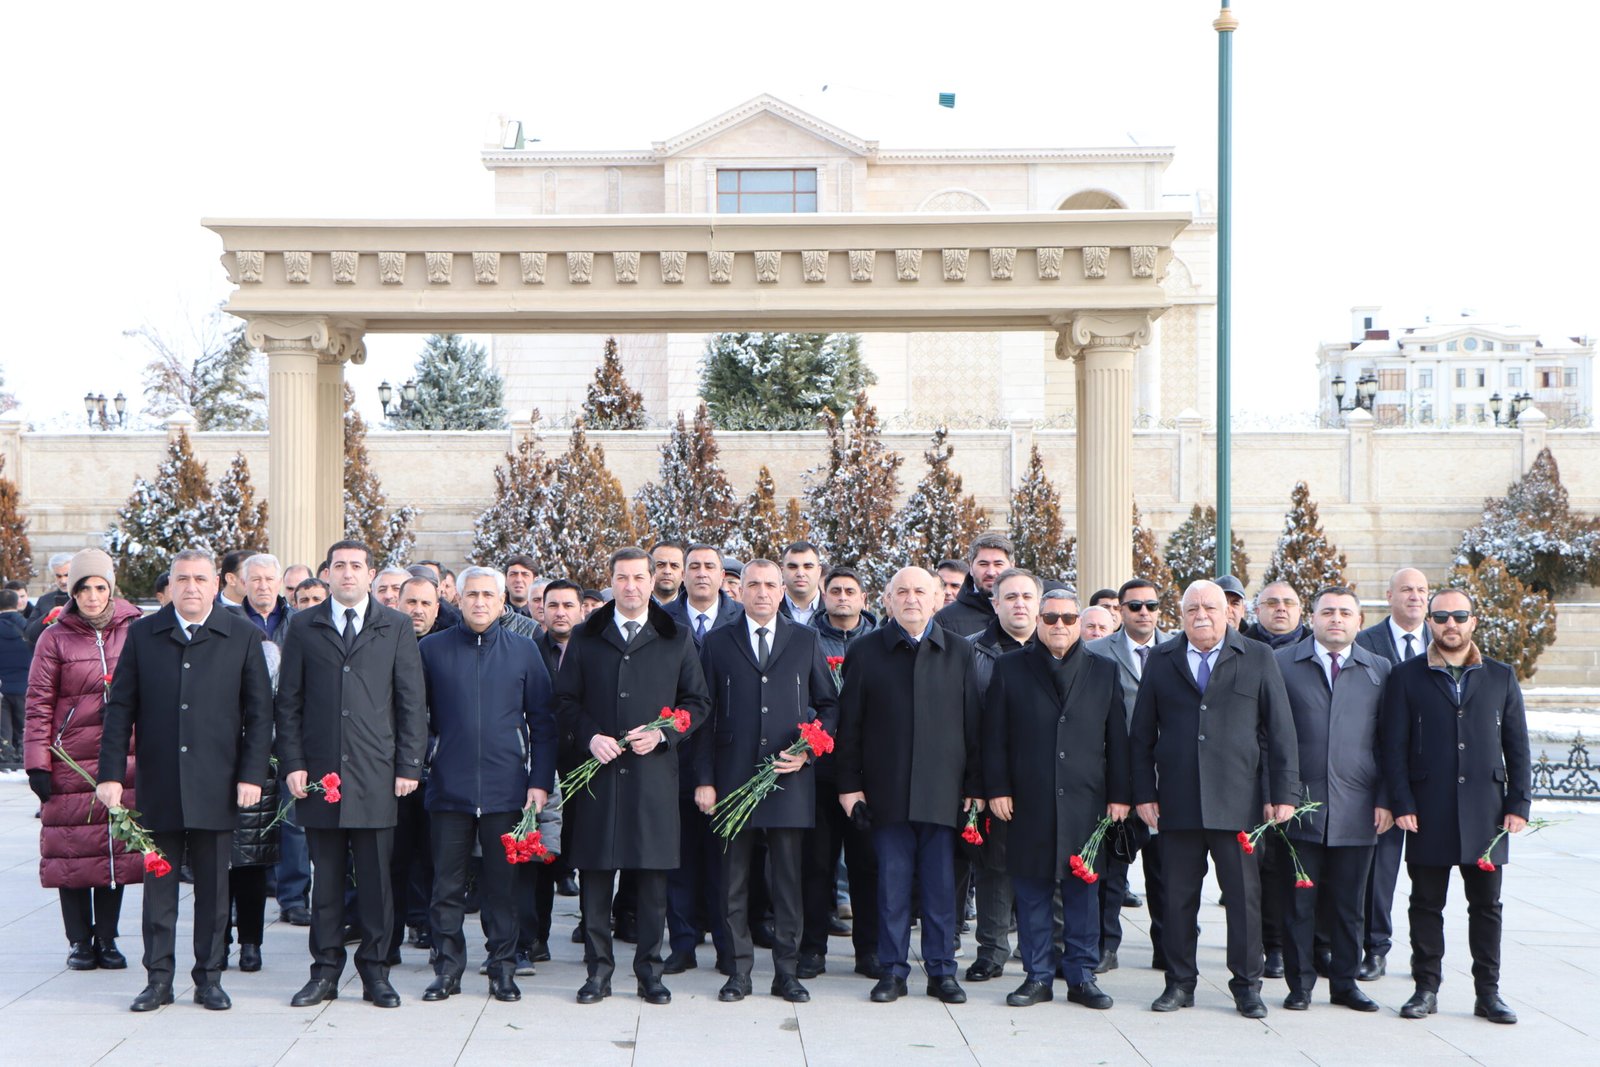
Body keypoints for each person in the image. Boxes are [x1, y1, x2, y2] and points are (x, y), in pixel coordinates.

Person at [94, 548, 274, 1011]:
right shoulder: (143, 634)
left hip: (219, 783)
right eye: (182, 579)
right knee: (159, 889)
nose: (191, 587)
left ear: (217, 584)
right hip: (160, 783)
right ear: (169, 586)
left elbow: (259, 716)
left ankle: (209, 976)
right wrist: (111, 774)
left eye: (200, 578)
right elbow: (120, 711)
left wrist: (252, 774)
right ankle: (158, 978)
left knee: (215, 891)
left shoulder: (242, 635)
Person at [1131, 579, 1299, 1018]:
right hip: (1178, 803)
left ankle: (1247, 986)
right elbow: (1141, 736)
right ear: (1181, 615)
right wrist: (1143, 794)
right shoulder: (1162, 659)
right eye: (1191, 609)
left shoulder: (1258, 656)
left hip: (1239, 802)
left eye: (1209, 607)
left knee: (1244, 900)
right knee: (1176, 898)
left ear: (1228, 611)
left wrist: (1282, 794)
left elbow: (1280, 732)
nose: (1200, 615)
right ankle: (1179, 982)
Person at [275, 539, 428, 1010]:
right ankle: (323, 971)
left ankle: (376, 972)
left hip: (377, 774)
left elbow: (411, 702)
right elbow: (290, 703)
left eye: (355, 566)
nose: (347, 574)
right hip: (321, 777)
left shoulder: (396, 626)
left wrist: (408, 766)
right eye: (338, 566)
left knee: (378, 881)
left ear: (370, 573)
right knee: (328, 882)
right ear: (328, 573)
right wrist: (295, 763)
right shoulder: (303, 626)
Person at [555, 547, 710, 1006]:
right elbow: (564, 702)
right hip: (599, 779)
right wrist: (589, 737)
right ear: (611, 581)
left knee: (651, 884)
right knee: (597, 881)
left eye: (639, 577)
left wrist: (663, 734)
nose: (631, 586)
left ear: (652, 581)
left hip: (652, 780)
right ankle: (598, 973)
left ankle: (650, 974)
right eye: (622, 578)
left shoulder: (676, 637)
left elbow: (696, 704)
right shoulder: (586, 636)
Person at [1382, 589, 1531, 1025]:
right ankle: (1425, 988)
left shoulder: (1501, 676)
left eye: (1459, 616)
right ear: (1429, 622)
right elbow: (1393, 747)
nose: (1451, 624)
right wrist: (1402, 801)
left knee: (1487, 907)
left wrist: (1518, 802)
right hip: (1428, 811)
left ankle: (1488, 993)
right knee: (1426, 905)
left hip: (1487, 813)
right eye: (1442, 616)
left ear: (1473, 621)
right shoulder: (1406, 676)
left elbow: (1517, 746)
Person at [837, 566, 981, 1005]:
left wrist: (975, 786)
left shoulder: (959, 652)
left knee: (941, 892)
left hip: (944, 793)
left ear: (938, 599)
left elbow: (973, 725)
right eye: (902, 591)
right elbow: (850, 726)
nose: (912, 598)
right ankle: (893, 970)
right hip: (886, 792)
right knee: (891, 889)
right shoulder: (865, 652)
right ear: (887, 600)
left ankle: (942, 972)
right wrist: (849, 786)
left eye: (921, 591)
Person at [696, 559, 838, 1003]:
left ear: (782, 592)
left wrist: (809, 749)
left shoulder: (805, 639)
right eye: (753, 584)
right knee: (733, 880)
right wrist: (705, 780)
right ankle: (738, 972)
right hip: (734, 778)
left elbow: (829, 706)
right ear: (737, 591)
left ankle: (786, 972)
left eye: (769, 585)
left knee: (787, 883)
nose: (761, 592)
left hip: (787, 780)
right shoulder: (718, 642)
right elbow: (703, 714)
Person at [985, 588, 1129, 1009]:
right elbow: (993, 736)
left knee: (1084, 891)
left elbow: (1117, 739)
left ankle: (1082, 976)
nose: (1060, 626)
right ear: (1039, 622)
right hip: (1028, 799)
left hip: (1087, 802)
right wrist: (996, 788)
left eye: (1068, 619)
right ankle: (1037, 975)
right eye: (1051, 619)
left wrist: (1121, 795)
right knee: (1031, 890)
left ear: (1081, 625)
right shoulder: (1010, 668)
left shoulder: (1103, 671)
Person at [418, 566, 556, 1004]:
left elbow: (543, 722)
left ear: (501, 602)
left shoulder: (524, 651)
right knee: (446, 887)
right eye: (471, 594)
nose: (479, 602)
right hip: (448, 789)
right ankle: (448, 969)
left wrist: (538, 783)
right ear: (456, 599)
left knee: (504, 888)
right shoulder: (432, 650)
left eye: (488, 595)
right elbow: (414, 716)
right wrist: (427, 759)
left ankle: (503, 968)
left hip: (506, 790)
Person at [24, 548, 145, 971]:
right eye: (83, 588)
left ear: (111, 587)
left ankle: (108, 938)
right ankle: (79, 940)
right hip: (68, 757)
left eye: (99, 587)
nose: (92, 596)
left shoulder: (135, 629)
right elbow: (38, 702)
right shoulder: (54, 636)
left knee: (116, 848)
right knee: (72, 850)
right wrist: (37, 761)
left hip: (122, 756)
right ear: (71, 591)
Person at [1273, 586, 1389, 1012]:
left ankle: (1345, 983)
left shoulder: (1379, 669)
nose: (1336, 619)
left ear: (1359, 621)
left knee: (1348, 906)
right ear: (1313, 618)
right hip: (1299, 808)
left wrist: (1387, 798)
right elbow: (1266, 736)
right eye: (1327, 612)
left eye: (1345, 612)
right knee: (1299, 904)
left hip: (1359, 810)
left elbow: (1390, 742)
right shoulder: (1282, 664)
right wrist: (1277, 794)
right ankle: (1299, 984)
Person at [1084, 577, 1173, 973]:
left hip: (1168, 778)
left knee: (1168, 872)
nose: (1143, 613)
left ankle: (1168, 947)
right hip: (1115, 777)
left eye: (1150, 606)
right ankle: (1106, 945)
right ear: (1119, 610)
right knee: (1111, 870)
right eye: (1134, 606)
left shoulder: (1178, 649)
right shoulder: (1095, 651)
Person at [662, 545, 742, 975]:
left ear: (722, 574)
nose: (700, 574)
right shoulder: (663, 621)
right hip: (674, 759)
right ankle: (683, 944)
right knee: (680, 861)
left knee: (724, 864)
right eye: (693, 566)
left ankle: (729, 947)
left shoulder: (742, 618)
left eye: (709, 566)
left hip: (727, 762)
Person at [960, 568, 1041, 985]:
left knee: (1043, 867)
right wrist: (981, 784)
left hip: (1045, 782)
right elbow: (967, 724)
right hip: (991, 780)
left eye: (1027, 596)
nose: (1019, 604)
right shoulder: (971, 652)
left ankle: (1042, 950)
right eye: (1010, 597)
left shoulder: (1058, 649)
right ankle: (991, 950)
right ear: (995, 603)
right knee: (995, 867)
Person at [800, 566, 881, 980]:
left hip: (868, 773)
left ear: (864, 599)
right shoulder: (806, 639)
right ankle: (812, 948)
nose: (843, 597)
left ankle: (868, 949)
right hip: (820, 770)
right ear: (824, 595)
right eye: (835, 591)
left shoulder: (880, 642)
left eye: (851, 591)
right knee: (817, 864)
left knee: (867, 865)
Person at [1351, 566, 1430, 981]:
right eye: (1406, 590)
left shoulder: (1446, 640)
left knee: (1429, 876)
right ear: (1390, 596)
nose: (1414, 596)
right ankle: (1375, 948)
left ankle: (1425, 956)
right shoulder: (1367, 644)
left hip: (1433, 782)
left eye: (1421, 590)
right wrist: (1384, 791)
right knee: (1378, 872)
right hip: (1385, 779)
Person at [933, 533, 1014, 637]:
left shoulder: (1029, 613)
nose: (991, 572)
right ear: (971, 567)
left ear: (1012, 566)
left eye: (998, 564)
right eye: (983, 564)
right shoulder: (944, 620)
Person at [0, 587, 32, 765]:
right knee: (24, 727)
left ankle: (6, 755)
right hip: (25, 685)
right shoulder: (28, 626)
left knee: (4, 728)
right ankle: (24, 755)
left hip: (2, 687)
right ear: (16, 603)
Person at [22, 552, 75, 646]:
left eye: (67, 575)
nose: (63, 581)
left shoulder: (86, 597)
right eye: (58, 576)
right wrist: (48, 617)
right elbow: (29, 634)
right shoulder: (44, 600)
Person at [241, 553, 293, 645]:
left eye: (269, 579)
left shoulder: (297, 620)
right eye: (256, 579)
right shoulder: (229, 622)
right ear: (244, 583)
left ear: (280, 582)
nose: (263, 586)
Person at [1242, 581, 1310, 649]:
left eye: (1288, 603)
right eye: (1272, 603)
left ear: (1299, 611)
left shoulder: (1316, 645)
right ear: (1258, 611)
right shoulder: (1239, 647)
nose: (1281, 608)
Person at [778, 542, 825, 625]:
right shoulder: (770, 611)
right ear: (782, 571)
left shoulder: (834, 611)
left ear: (819, 571)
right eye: (792, 567)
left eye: (808, 567)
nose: (800, 573)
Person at [650, 542, 686, 607]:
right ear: (649, 570)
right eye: (660, 565)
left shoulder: (693, 609)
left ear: (684, 574)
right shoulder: (633, 605)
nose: (667, 571)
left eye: (674, 565)